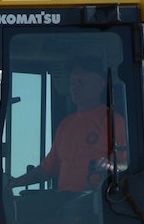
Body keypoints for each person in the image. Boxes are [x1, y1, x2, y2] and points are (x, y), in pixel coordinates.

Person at [14, 59, 127, 191]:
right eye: (72, 82)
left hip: (93, 200)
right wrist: (13, 183)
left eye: (80, 81)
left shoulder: (113, 122)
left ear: (99, 85)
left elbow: (126, 165)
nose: (74, 86)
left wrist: (111, 167)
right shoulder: (66, 124)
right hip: (63, 200)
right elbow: (46, 169)